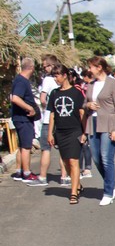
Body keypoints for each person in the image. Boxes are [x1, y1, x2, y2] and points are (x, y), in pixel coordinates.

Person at [85, 56, 115, 206]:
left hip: (109, 123)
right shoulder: (91, 85)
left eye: (91, 67)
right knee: (96, 158)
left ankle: (108, 191)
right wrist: (88, 105)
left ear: (99, 67)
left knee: (106, 157)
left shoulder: (112, 84)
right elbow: (84, 103)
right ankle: (111, 181)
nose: (89, 70)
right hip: (93, 122)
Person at [46, 64, 86, 204]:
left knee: (73, 160)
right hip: (60, 131)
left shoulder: (76, 93)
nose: (55, 79)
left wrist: (84, 132)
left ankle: (73, 192)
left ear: (64, 75)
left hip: (74, 130)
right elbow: (52, 114)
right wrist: (50, 133)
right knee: (65, 162)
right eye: (54, 76)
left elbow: (82, 113)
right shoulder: (54, 93)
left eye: (57, 76)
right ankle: (78, 185)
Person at [27, 55, 64, 186]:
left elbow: (43, 98)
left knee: (46, 149)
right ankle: (65, 177)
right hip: (63, 118)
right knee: (63, 149)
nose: (44, 69)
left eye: (45, 66)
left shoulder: (48, 80)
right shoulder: (64, 78)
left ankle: (42, 177)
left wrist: (45, 108)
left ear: (51, 65)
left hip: (49, 118)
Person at [9, 57, 40, 183]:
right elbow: (15, 98)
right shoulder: (22, 81)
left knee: (22, 145)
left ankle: (19, 171)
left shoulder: (18, 79)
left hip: (19, 118)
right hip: (23, 118)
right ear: (31, 68)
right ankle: (26, 173)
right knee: (26, 146)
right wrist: (30, 109)